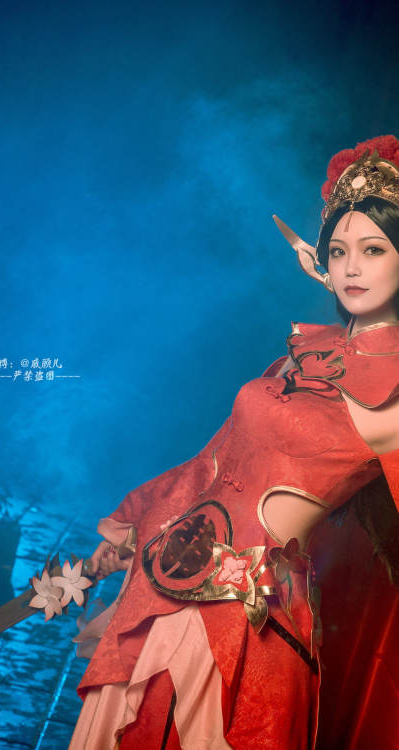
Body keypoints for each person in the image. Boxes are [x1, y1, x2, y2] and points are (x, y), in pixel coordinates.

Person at [69, 136, 399, 750]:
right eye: (339, 250)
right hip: (162, 588)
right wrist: (126, 534)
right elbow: (207, 467)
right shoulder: (300, 354)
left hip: (251, 623)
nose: (351, 268)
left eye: (374, 249)